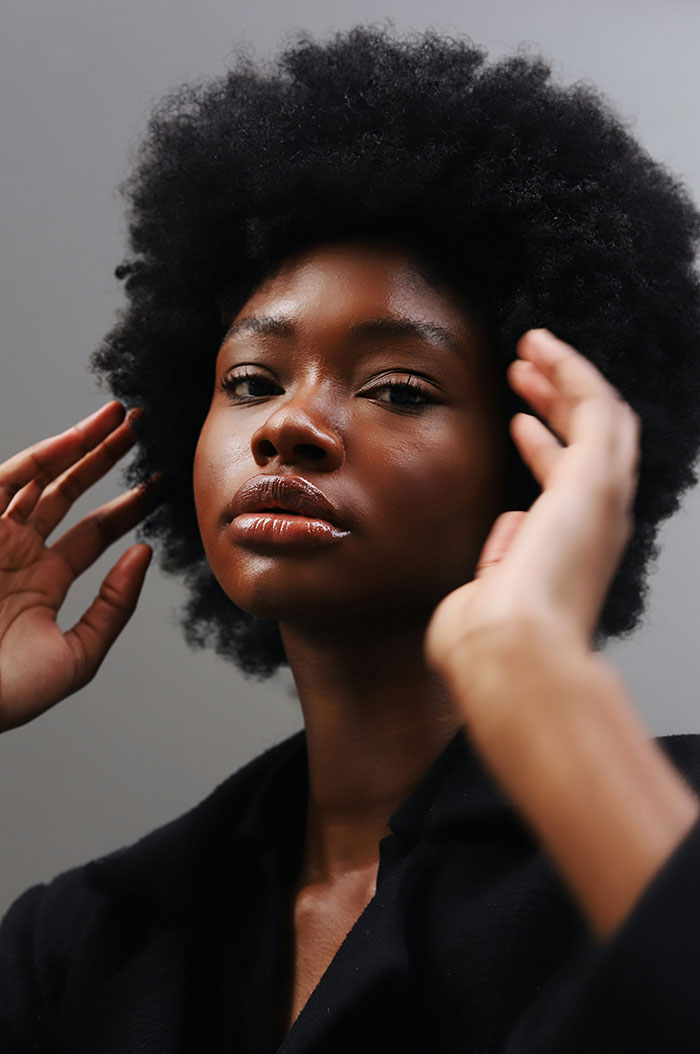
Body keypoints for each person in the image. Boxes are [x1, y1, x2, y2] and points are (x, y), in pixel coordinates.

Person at [1, 23, 700, 1053]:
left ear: (533, 465)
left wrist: (532, 679)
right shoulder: (79, 942)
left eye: (397, 388)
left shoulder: (657, 830)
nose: (286, 424)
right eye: (250, 381)